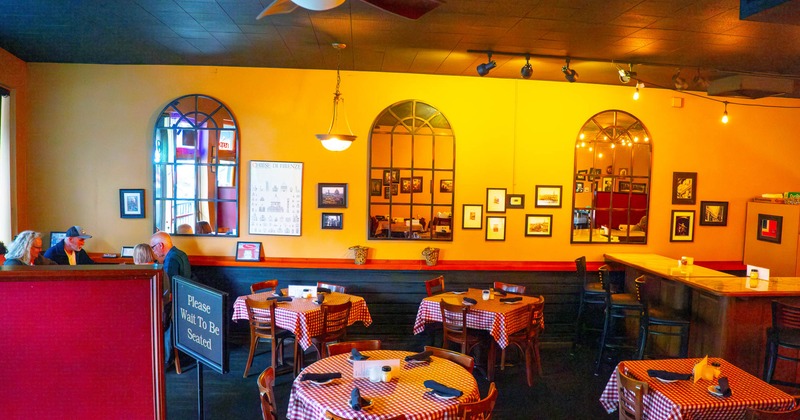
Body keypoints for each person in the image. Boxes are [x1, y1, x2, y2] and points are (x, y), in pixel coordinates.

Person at [150, 231, 191, 368]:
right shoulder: (180, 254)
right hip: (185, 301)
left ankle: (165, 360)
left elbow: (170, 290)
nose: (153, 251)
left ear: (161, 245)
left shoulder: (171, 259)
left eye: (153, 247)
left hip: (175, 305)